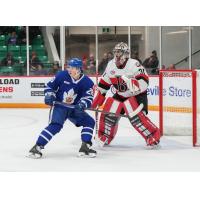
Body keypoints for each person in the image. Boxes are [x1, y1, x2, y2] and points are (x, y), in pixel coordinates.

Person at [92, 42, 161, 148]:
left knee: (136, 118)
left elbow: (145, 81)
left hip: (136, 95)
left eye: (119, 52)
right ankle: (105, 136)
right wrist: (98, 98)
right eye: (115, 52)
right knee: (109, 113)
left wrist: (136, 84)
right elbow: (104, 84)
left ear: (126, 54)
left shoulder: (134, 64)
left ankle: (153, 137)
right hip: (120, 94)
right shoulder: (110, 65)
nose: (117, 55)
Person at [28, 58, 97, 158]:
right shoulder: (62, 75)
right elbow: (50, 87)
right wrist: (49, 95)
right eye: (69, 67)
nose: (69, 69)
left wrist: (82, 104)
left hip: (75, 108)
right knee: (55, 126)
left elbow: (88, 97)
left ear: (79, 69)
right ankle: (37, 147)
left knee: (89, 122)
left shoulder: (87, 82)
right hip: (60, 107)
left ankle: (85, 146)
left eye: (72, 67)